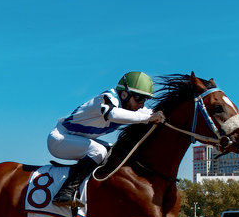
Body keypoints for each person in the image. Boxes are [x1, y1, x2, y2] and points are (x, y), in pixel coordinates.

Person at [47, 71, 165, 207]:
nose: (141, 105)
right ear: (125, 94)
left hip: (75, 139)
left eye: (145, 100)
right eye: (139, 99)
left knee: (114, 151)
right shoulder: (106, 98)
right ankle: (64, 193)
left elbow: (150, 113)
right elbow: (113, 114)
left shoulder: (128, 106)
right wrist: (148, 118)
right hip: (59, 139)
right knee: (99, 151)